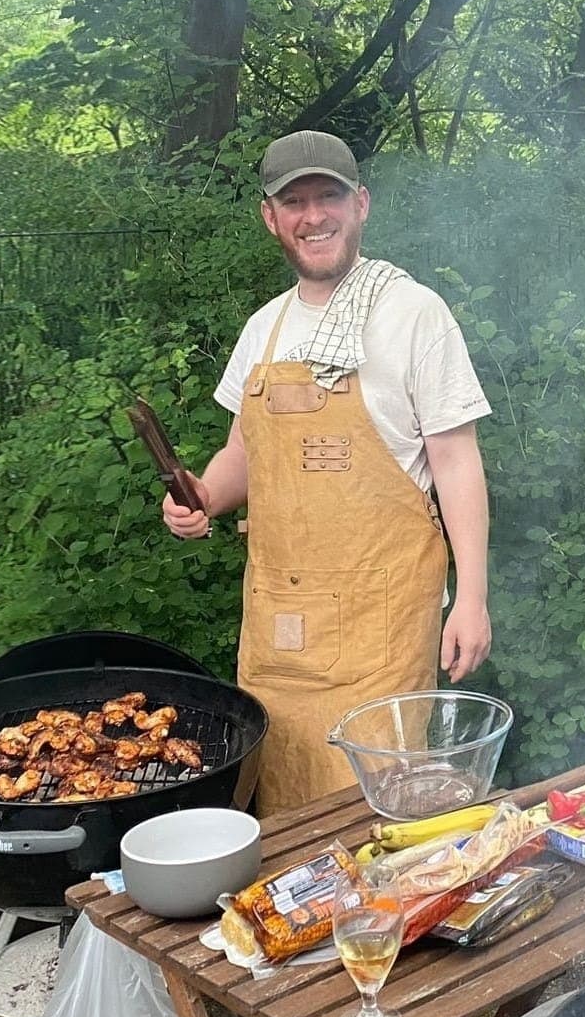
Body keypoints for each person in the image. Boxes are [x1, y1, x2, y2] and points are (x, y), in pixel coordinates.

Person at [163, 130, 493, 813]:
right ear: (271, 218)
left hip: (382, 624)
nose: (313, 216)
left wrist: (472, 597)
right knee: (282, 816)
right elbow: (241, 456)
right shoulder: (265, 329)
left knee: (374, 820)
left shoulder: (413, 314)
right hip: (278, 631)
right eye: (294, 202)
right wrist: (199, 497)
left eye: (328, 196)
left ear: (361, 203)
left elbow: (456, 461)